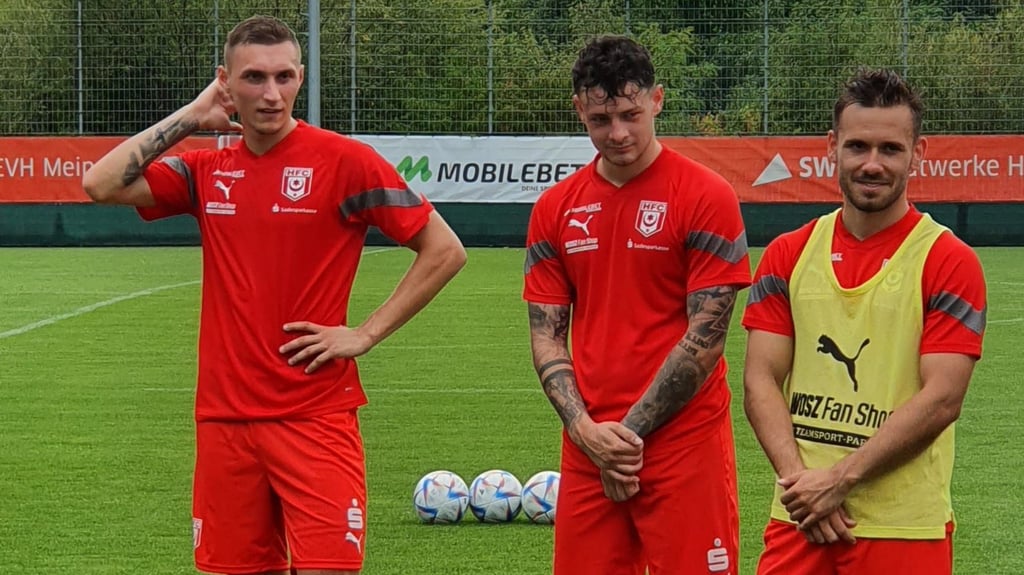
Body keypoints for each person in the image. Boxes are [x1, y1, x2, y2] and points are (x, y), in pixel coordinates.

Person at [81, 15, 466, 575]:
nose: (271, 93)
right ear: (226, 83)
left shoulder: (345, 162)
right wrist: (193, 116)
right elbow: (100, 183)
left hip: (315, 418)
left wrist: (365, 332)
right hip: (224, 424)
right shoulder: (208, 171)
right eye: (255, 78)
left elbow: (445, 249)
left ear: (301, 78)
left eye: (285, 77)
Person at [742, 68, 987, 575]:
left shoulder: (948, 260)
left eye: (890, 149)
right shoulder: (788, 254)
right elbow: (760, 379)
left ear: (918, 154)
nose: (872, 164)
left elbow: (942, 399)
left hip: (903, 526)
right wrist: (801, 484)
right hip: (800, 518)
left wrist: (841, 480)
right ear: (832, 146)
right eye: (857, 147)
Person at [522, 35, 751, 575]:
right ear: (579, 109)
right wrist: (586, 433)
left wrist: (624, 439)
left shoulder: (705, 195)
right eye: (601, 119)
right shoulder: (556, 208)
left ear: (658, 100)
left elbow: (706, 338)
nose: (618, 133)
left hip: (682, 444)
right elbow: (547, 333)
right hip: (588, 445)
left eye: (630, 113)